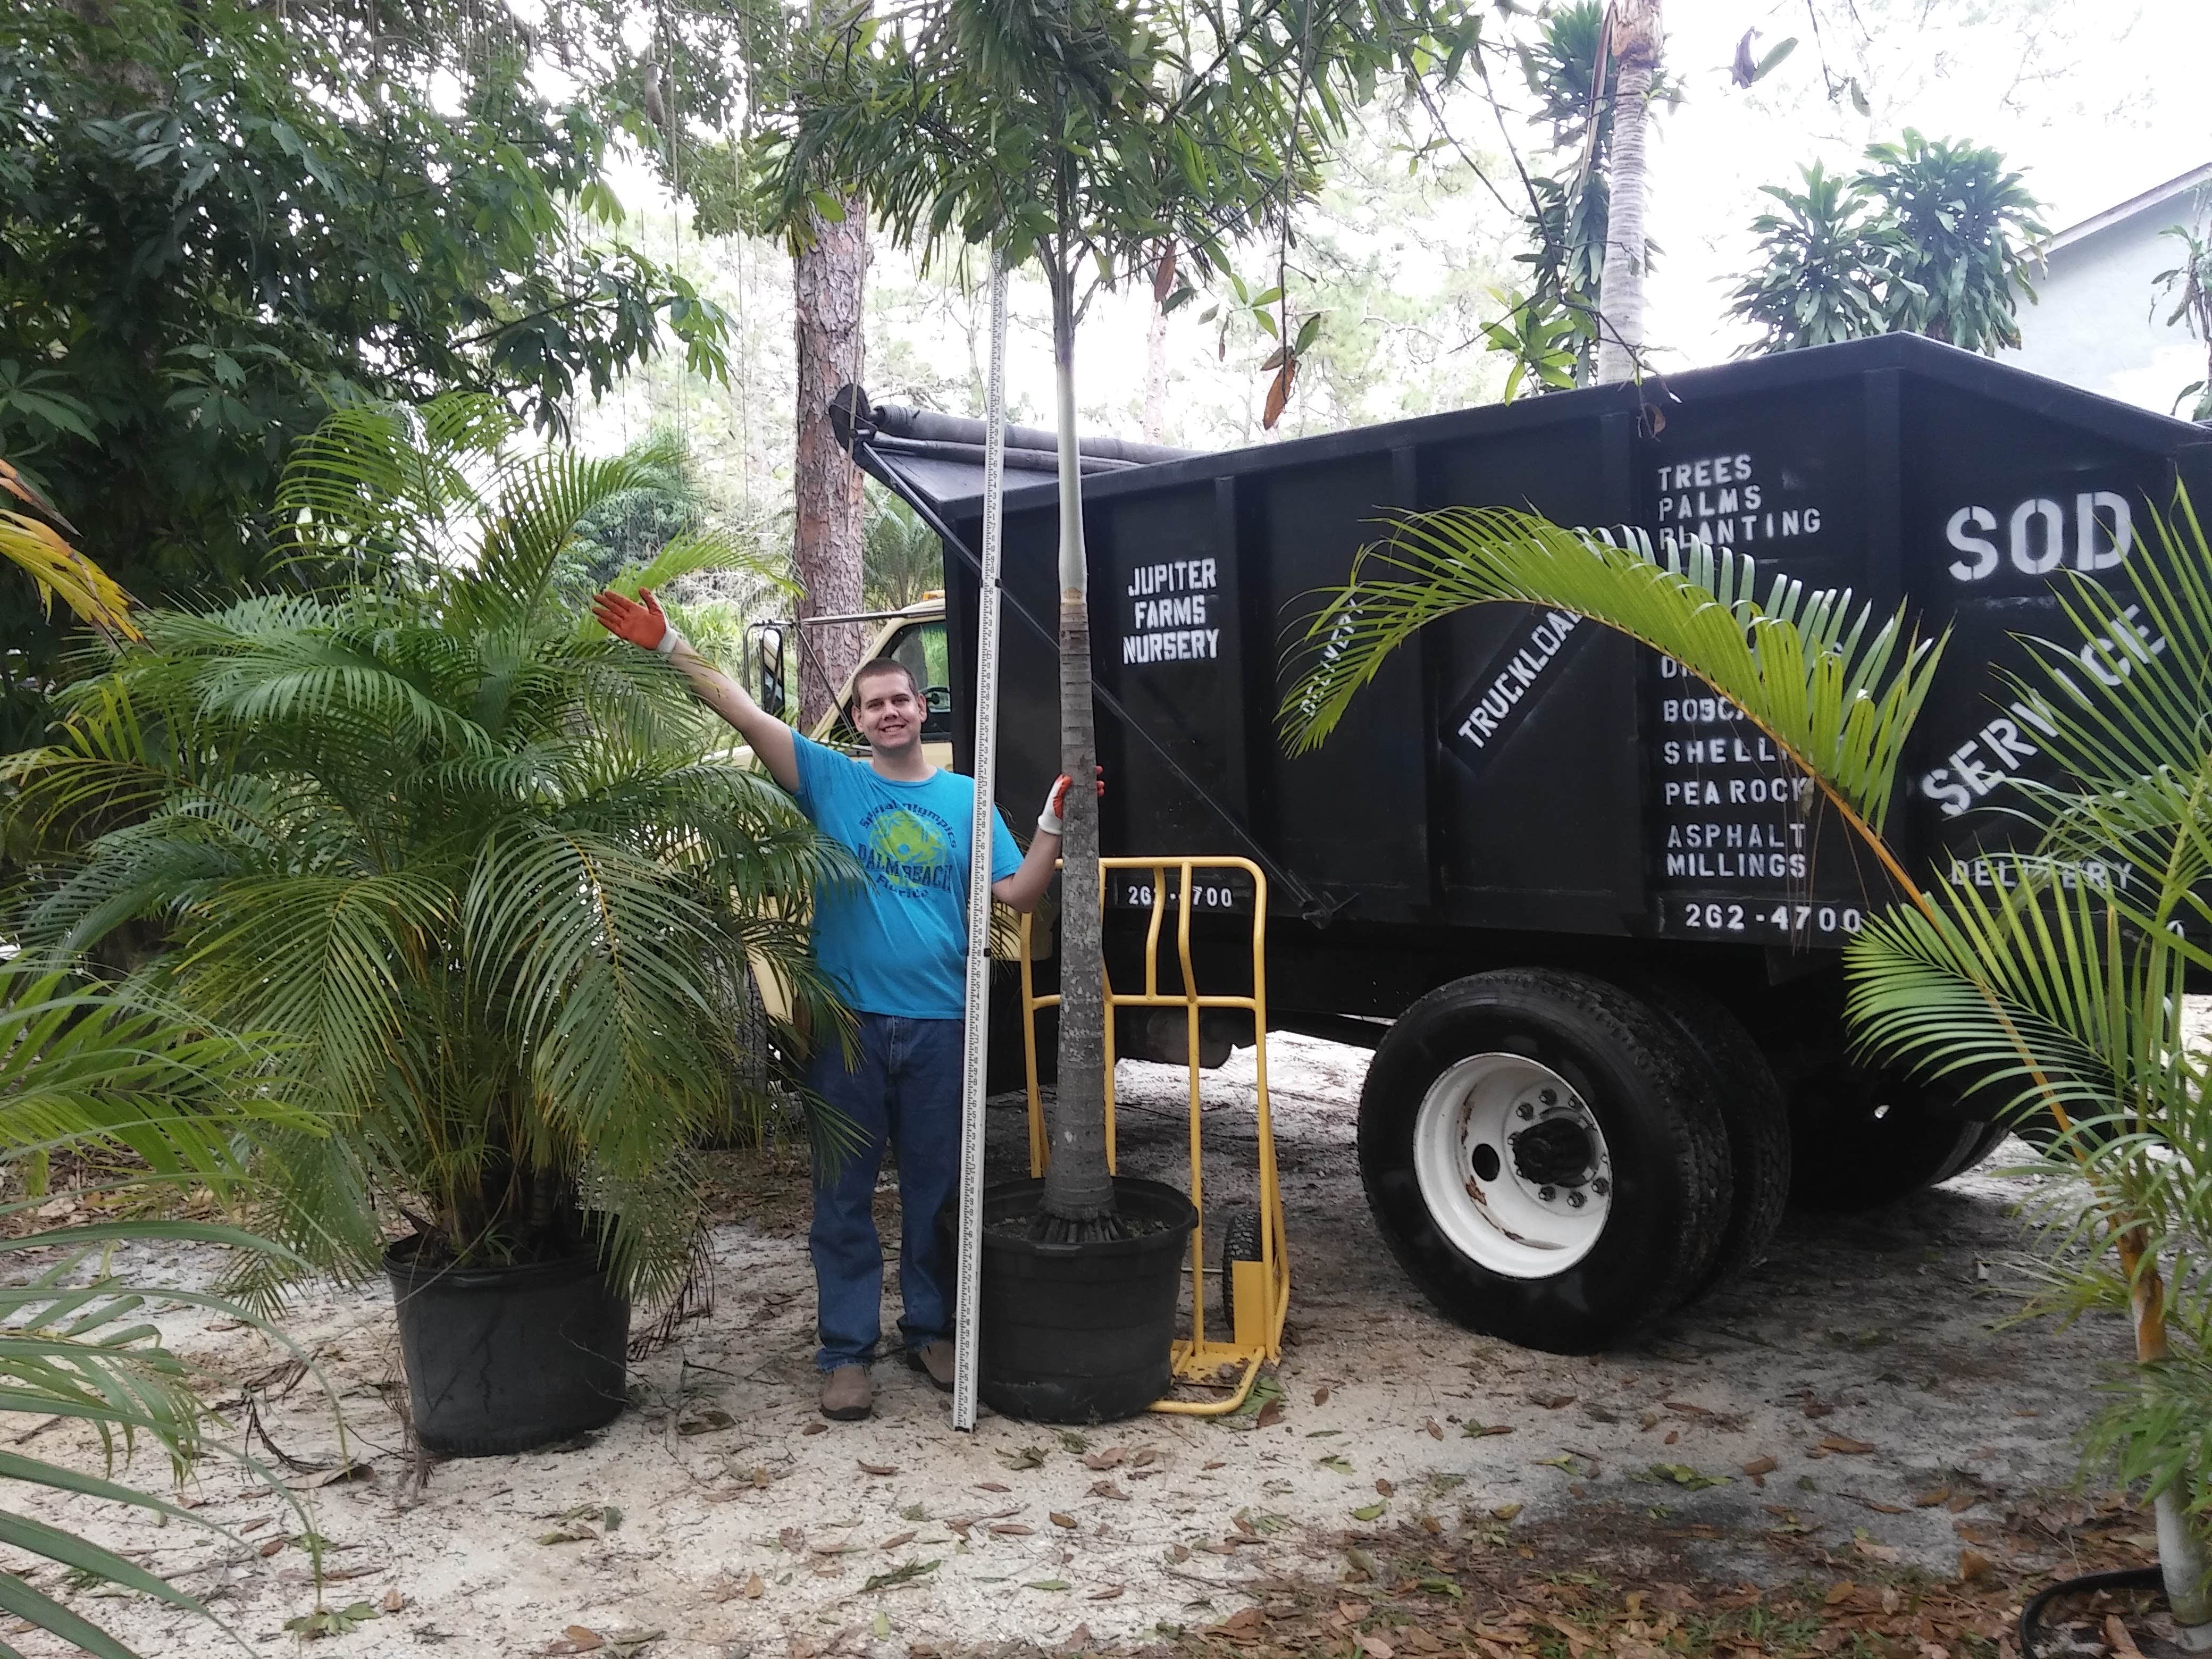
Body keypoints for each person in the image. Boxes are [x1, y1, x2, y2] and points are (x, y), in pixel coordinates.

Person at [590, 587, 1090, 1421]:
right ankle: (846, 1352)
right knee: (843, 1197)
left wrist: (1050, 825)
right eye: (873, 704)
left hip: (941, 1029)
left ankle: (932, 1332)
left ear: (920, 709)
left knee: (938, 1193)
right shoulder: (830, 783)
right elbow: (746, 714)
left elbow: (1021, 896)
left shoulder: (967, 800)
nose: (890, 713)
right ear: (857, 721)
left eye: (901, 699)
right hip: (849, 1028)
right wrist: (668, 643)